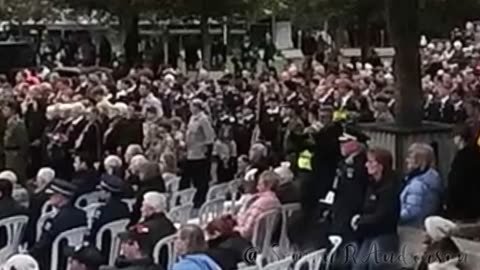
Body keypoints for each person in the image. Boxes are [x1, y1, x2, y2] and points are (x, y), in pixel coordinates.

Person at [350, 147, 401, 270]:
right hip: (369, 233)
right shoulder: (371, 184)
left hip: (385, 234)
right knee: (358, 266)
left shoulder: (390, 188)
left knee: (376, 264)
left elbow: (383, 215)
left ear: (381, 166)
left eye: (371, 162)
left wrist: (359, 221)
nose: (367, 165)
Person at [30, 179, 87, 270]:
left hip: (53, 261)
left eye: (52, 195)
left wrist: (28, 254)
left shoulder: (56, 220)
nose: (49, 197)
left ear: (60, 197)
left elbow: (43, 244)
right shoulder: (82, 214)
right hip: (72, 259)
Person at [400, 143, 443, 227]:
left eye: (410, 157)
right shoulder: (431, 178)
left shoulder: (418, 184)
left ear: (418, 161)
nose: (407, 160)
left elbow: (412, 211)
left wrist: (392, 216)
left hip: (413, 229)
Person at [184, 99, 215, 208]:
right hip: (190, 152)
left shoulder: (203, 119)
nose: (190, 108)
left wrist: (205, 149)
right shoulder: (192, 118)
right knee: (192, 178)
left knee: (200, 179)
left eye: (192, 106)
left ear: (197, 107)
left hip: (200, 153)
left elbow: (210, 137)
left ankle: (200, 200)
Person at [446, 125, 480, 221]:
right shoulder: (476, 153)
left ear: (459, 137)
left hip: (462, 204)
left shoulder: (462, 157)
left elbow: (456, 182)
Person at [234, 171, 282, 239]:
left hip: (247, 241)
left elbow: (246, 232)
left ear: (267, 185)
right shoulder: (276, 202)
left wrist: (233, 229)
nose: (257, 187)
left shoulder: (260, 203)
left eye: (259, 184)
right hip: (265, 240)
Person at [89, 174, 130, 245]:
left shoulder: (102, 211)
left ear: (108, 193)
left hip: (101, 245)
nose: (98, 192)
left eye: (100, 190)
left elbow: (94, 232)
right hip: (117, 245)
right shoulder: (125, 207)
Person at [2, 100, 29, 184]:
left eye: (5, 109)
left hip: (16, 155)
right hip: (8, 154)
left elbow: (24, 142)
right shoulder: (8, 122)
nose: (3, 111)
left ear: (12, 110)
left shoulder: (18, 123)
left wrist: (22, 156)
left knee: (18, 176)